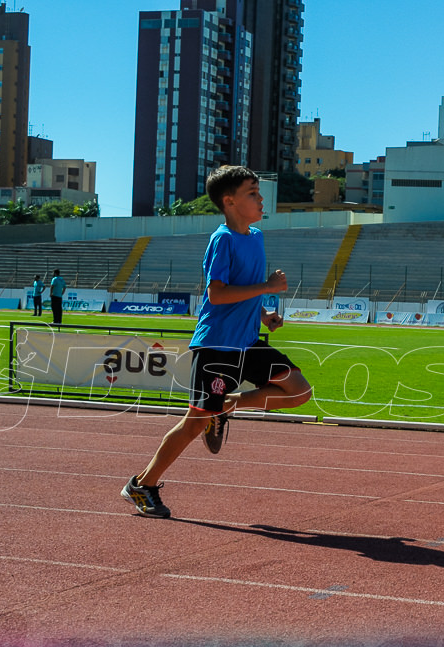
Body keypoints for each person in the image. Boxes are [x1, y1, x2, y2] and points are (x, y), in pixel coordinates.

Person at [122, 165, 312, 518]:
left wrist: (263, 314)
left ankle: (226, 405)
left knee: (299, 392)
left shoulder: (256, 237)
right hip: (217, 346)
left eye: (259, 191)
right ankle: (142, 485)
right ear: (229, 201)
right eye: (252, 193)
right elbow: (219, 294)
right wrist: (268, 288)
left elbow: (243, 292)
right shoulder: (222, 239)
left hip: (248, 341)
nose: (260, 198)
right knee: (194, 423)